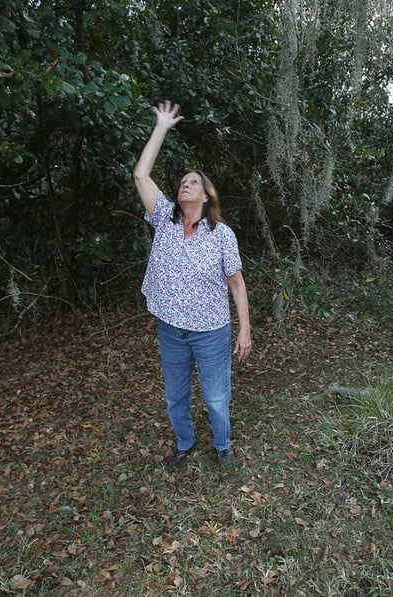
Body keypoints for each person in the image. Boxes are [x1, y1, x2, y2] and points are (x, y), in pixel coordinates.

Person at [133, 100, 252, 470]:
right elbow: (140, 176)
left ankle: (222, 445)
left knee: (216, 398)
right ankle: (185, 443)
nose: (186, 185)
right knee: (175, 396)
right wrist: (161, 128)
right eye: (183, 182)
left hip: (211, 331)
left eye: (194, 182)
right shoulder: (164, 220)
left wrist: (244, 331)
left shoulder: (222, 235)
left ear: (206, 195)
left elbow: (237, 285)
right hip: (171, 329)